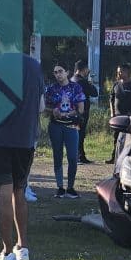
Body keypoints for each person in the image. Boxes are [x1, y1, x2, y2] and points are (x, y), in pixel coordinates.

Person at [0, 20, 45, 260]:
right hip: (26, 138)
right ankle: (23, 246)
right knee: (20, 191)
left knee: (4, 192)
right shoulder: (34, 66)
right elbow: (40, 106)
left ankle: (6, 251)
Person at [45, 62, 87, 198]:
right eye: (55, 72)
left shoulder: (76, 87)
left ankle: (70, 187)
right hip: (55, 126)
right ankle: (60, 187)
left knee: (72, 157)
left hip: (71, 126)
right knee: (57, 156)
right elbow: (44, 107)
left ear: (67, 72)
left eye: (60, 71)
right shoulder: (51, 89)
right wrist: (54, 110)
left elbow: (81, 109)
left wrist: (69, 113)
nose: (58, 74)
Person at [106, 64, 131, 164]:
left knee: (129, 138)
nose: (119, 73)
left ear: (128, 72)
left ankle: (127, 158)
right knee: (116, 138)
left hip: (129, 117)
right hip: (117, 117)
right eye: (118, 71)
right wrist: (112, 112)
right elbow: (111, 99)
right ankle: (114, 157)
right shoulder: (116, 85)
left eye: (121, 71)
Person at [71, 59, 98, 164]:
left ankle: (80, 156)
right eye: (87, 69)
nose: (88, 71)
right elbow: (94, 93)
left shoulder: (72, 79)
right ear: (83, 69)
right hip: (82, 112)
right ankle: (79, 157)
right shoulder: (82, 81)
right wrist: (90, 84)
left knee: (76, 133)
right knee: (80, 134)